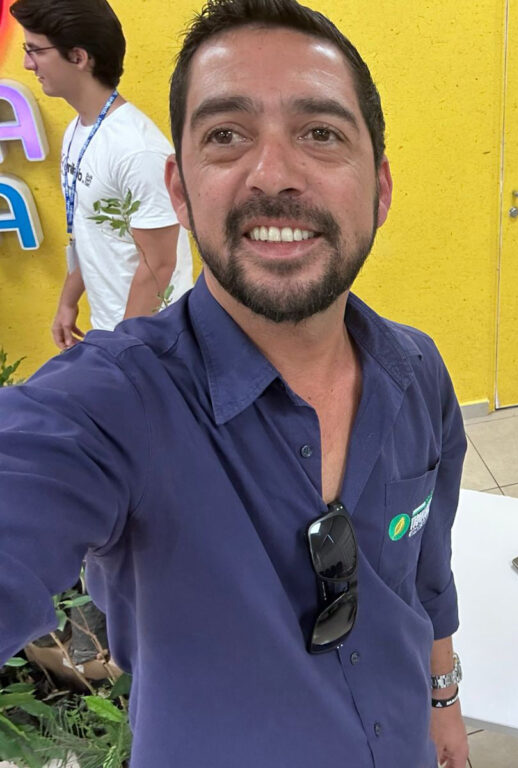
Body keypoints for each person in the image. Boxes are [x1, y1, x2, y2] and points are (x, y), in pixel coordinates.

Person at [0, 0, 470, 766]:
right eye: (226, 135)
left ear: (380, 190)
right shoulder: (115, 406)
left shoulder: (418, 373)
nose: (274, 174)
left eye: (321, 133)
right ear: (180, 192)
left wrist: (442, 697)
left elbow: (427, 572)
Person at [12, 0, 194, 348]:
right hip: (112, 331)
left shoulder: (138, 150)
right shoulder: (77, 131)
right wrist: (68, 301)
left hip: (152, 343)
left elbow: (159, 264)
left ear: (79, 57)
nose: (27, 63)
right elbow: (90, 227)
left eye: (35, 50)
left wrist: (120, 349)